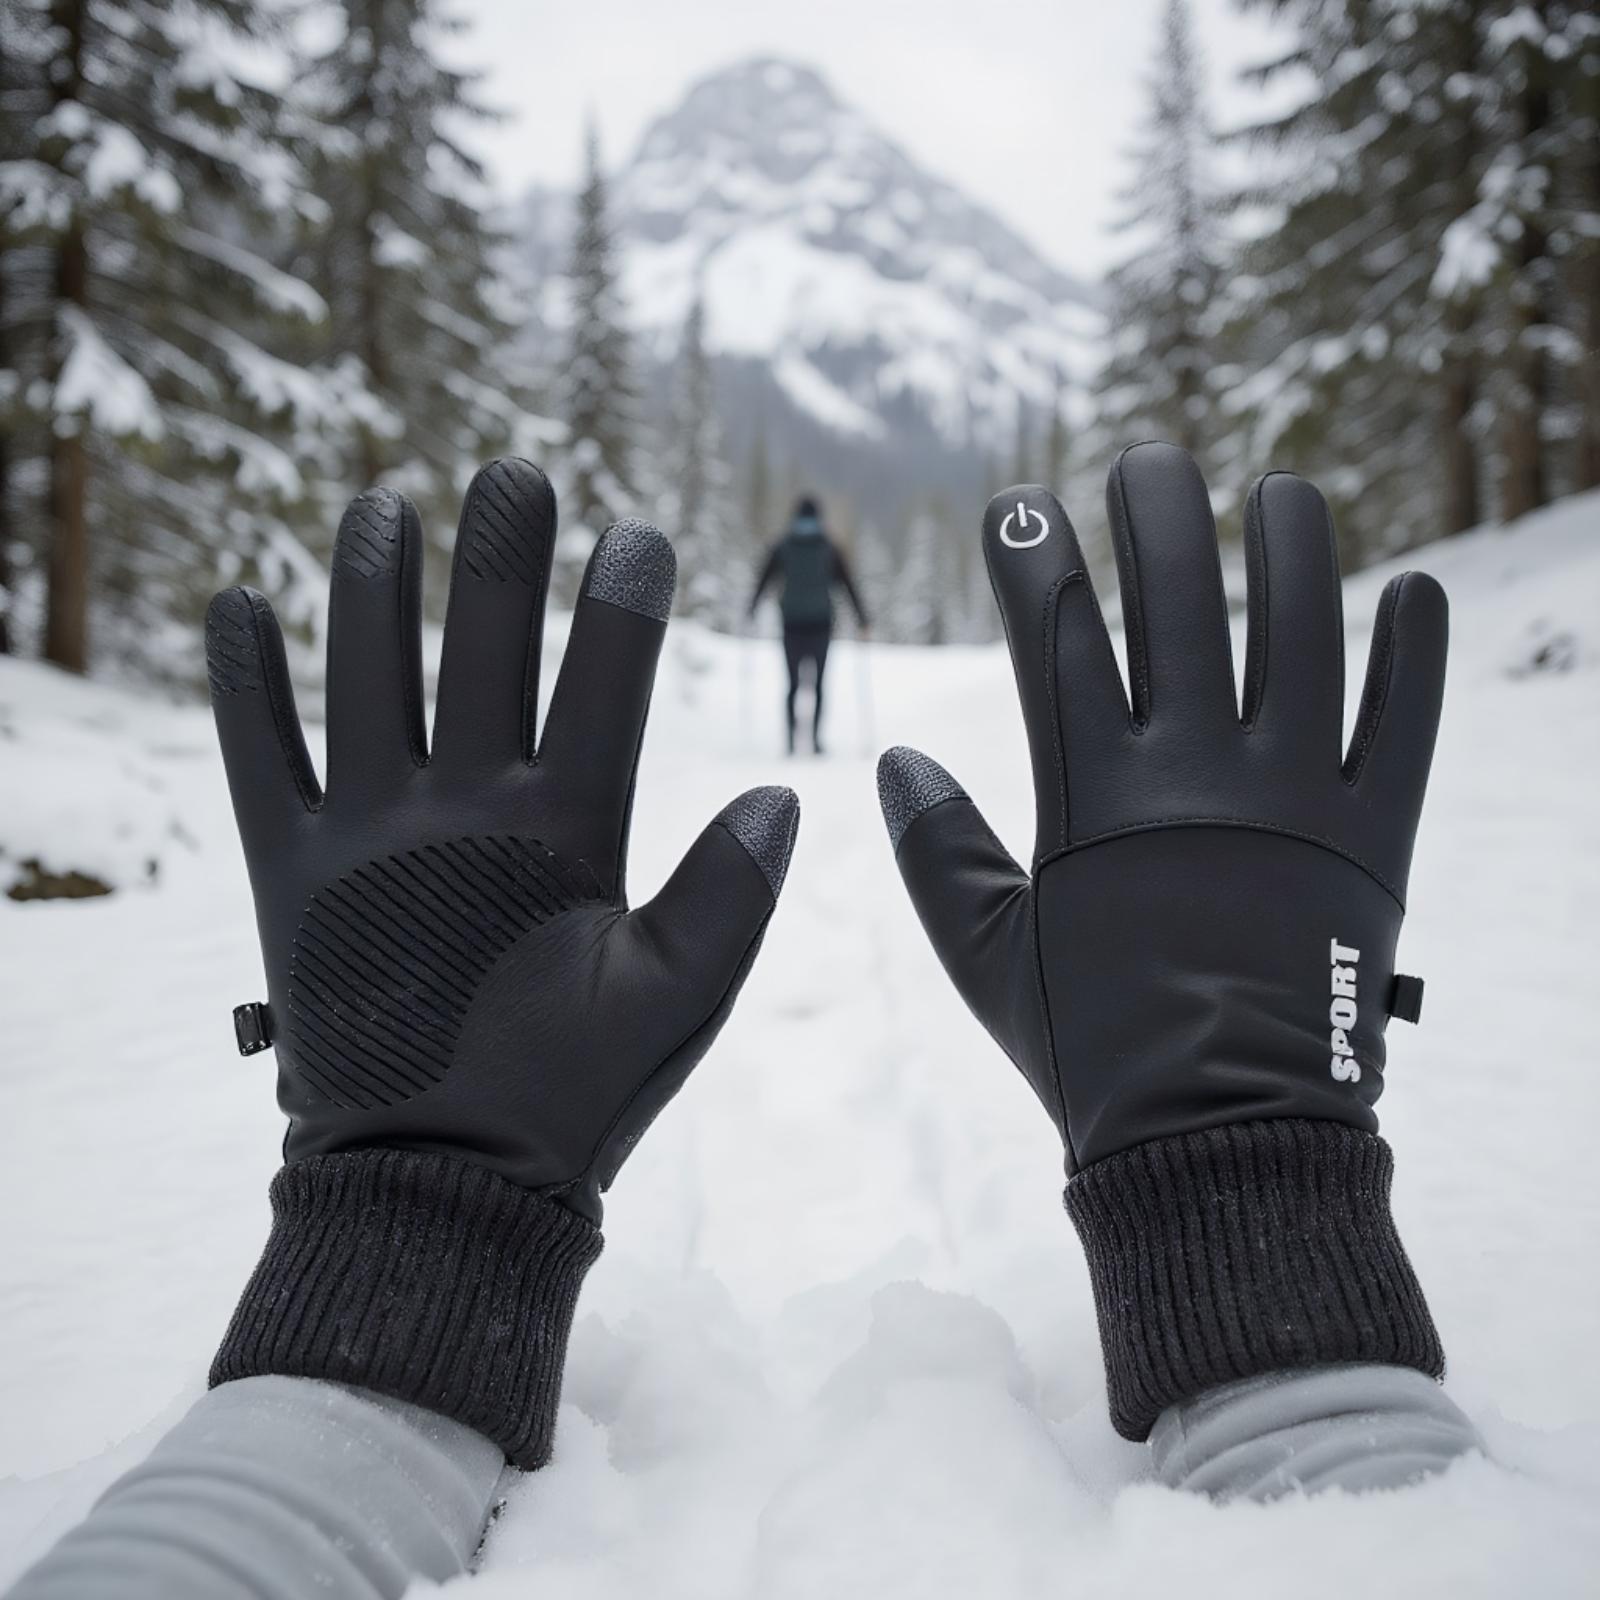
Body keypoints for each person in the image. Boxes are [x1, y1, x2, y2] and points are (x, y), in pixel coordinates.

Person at [7, 446, 1479, 1600]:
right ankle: (805, 704)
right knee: (807, 677)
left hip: (282, 1469)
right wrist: (1251, 1127)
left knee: (804, 677)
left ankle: (801, 704)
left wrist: (398, 1208)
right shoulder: (814, 549)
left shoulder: (800, 550)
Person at [749, 494, 870, 754]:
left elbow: (765, 579)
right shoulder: (829, 548)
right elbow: (847, 584)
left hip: (791, 624)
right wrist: (862, 618)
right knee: (818, 686)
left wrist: (752, 608)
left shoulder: (783, 546)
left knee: (792, 685)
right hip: (821, 625)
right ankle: (814, 740)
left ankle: (791, 740)